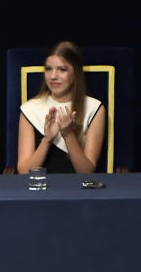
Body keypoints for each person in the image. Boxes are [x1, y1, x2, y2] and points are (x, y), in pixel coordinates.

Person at [17, 40, 105, 174]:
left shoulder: (94, 108)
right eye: (48, 69)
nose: (53, 76)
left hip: (76, 190)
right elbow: (24, 172)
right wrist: (47, 140)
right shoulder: (30, 109)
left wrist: (68, 134)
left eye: (62, 70)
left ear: (75, 73)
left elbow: (86, 171)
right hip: (39, 190)